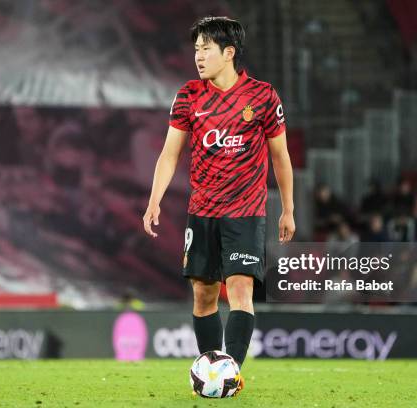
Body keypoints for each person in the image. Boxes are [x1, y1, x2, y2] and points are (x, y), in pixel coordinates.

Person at [142, 16, 295, 394]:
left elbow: (281, 156)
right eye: (196, 49)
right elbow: (168, 154)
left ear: (229, 53)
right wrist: (154, 201)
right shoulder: (189, 96)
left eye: (206, 48)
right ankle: (212, 370)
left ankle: (230, 376)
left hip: (245, 211)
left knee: (240, 289)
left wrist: (289, 208)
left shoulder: (262, 96)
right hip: (203, 211)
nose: (198, 56)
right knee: (204, 294)